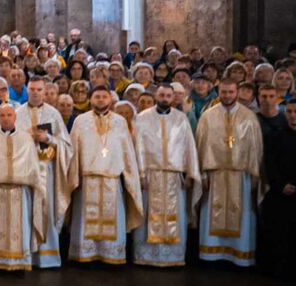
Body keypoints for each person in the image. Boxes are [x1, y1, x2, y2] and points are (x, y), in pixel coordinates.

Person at [61, 85, 142, 265]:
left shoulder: (120, 122)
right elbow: (73, 151)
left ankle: (111, 255)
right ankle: (85, 255)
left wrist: (131, 177)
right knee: (84, 221)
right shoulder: (80, 121)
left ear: (110, 100)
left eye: (104, 96)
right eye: (97, 96)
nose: (100, 100)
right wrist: (73, 178)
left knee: (113, 220)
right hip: (87, 180)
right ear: (91, 99)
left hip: (112, 180)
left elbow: (127, 151)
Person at [131, 83, 201, 267]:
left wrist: (190, 173)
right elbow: (138, 147)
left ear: (173, 97)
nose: (165, 99)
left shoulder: (181, 119)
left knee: (175, 217)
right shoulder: (143, 118)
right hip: (150, 176)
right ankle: (146, 256)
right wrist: (141, 173)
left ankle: (173, 256)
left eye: (168, 96)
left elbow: (189, 147)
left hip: (173, 176)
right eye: (162, 95)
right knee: (147, 216)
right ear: (156, 96)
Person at [196, 80, 264, 267]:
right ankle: (211, 256)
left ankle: (238, 255)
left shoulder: (249, 117)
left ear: (237, 92)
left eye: (231, 92)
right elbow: (201, 146)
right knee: (211, 212)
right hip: (214, 175)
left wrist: (255, 175)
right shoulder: (208, 116)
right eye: (224, 92)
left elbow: (256, 148)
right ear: (218, 92)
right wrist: (202, 174)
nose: (227, 95)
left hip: (241, 176)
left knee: (241, 214)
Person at [0, 104, 47, 271]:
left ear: (15, 117)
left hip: (21, 192)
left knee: (21, 226)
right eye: (2, 115)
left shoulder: (26, 138)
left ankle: (19, 264)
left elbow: (33, 166)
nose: (6, 118)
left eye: (9, 115)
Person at [16, 78, 72, 269]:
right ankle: (26, 255)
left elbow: (66, 145)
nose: (35, 93)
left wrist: (47, 137)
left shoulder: (53, 113)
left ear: (44, 91)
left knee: (46, 211)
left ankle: (47, 257)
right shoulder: (17, 113)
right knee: (25, 211)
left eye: (39, 89)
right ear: (27, 90)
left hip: (45, 171)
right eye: (32, 89)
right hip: (24, 171)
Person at [260, 105, 296, 280]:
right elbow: (269, 163)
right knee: (278, 233)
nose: (293, 116)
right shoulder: (275, 136)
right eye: (289, 112)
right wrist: (281, 184)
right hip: (279, 192)